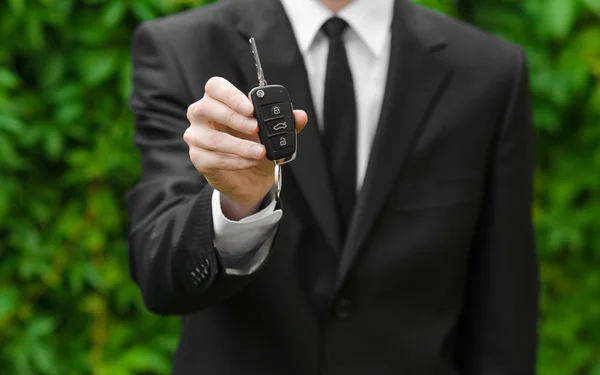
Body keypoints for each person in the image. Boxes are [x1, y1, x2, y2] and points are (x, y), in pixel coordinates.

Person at [127, 0, 539, 373]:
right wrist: (238, 205)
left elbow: (505, 306)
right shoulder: (182, 47)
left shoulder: (489, 72)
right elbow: (159, 274)